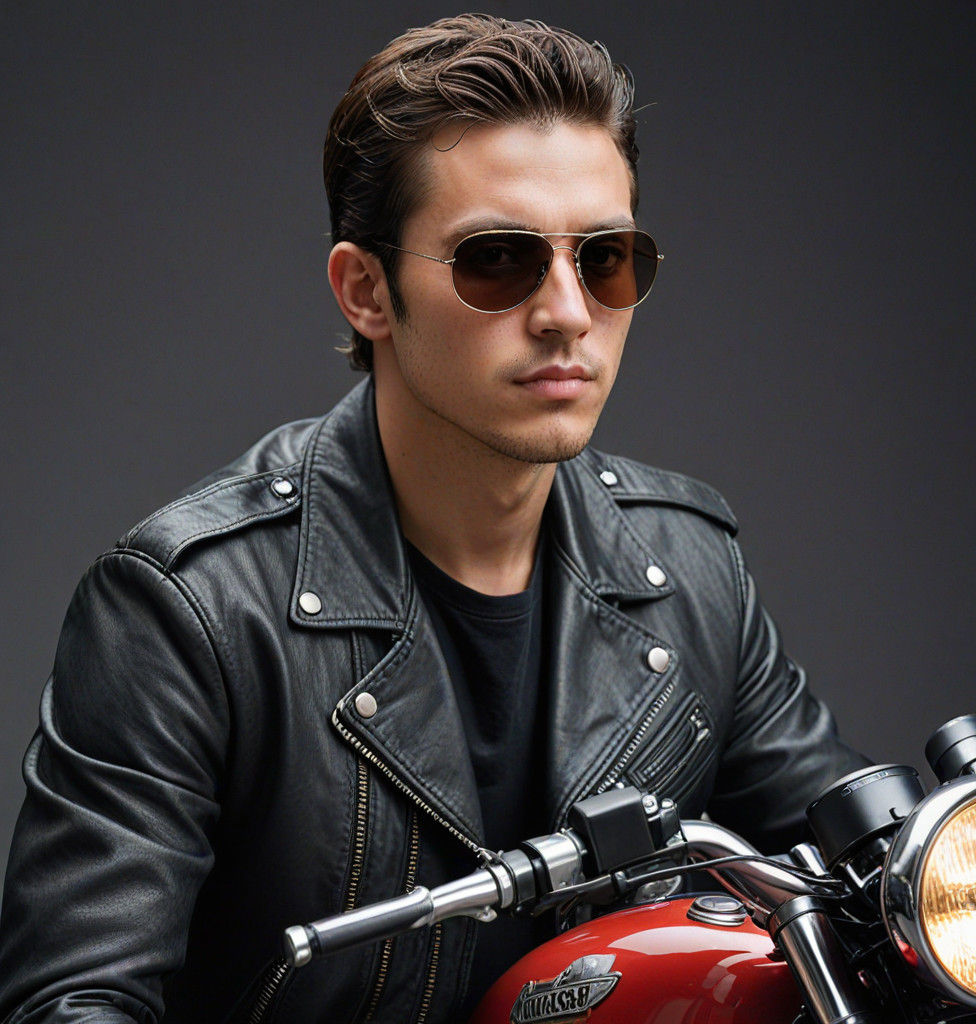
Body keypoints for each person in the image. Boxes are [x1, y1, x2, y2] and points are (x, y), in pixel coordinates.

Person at [0, 14, 866, 1023]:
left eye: (607, 257)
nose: (566, 311)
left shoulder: (685, 565)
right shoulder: (188, 610)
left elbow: (867, 849)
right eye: (496, 260)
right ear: (365, 290)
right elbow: (73, 1000)